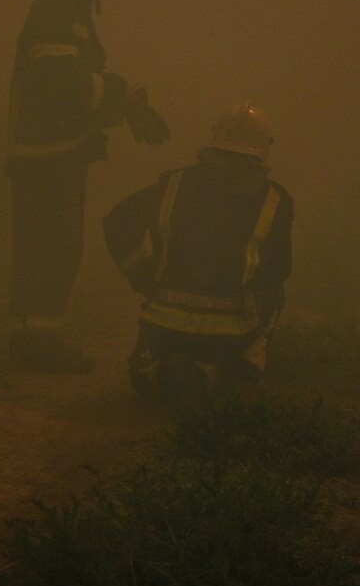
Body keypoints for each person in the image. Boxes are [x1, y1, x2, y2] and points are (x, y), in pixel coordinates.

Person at [6, 0, 170, 373]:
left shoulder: (64, 7)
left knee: (37, 248)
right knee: (55, 250)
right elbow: (60, 83)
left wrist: (126, 105)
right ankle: (42, 348)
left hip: (49, 152)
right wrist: (121, 94)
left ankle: (27, 340)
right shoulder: (59, 10)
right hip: (49, 156)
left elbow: (72, 87)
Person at [103, 103, 293, 403]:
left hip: (165, 330)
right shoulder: (276, 199)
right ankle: (243, 369)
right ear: (264, 147)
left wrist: (142, 274)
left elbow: (117, 223)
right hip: (232, 336)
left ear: (214, 139)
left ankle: (164, 372)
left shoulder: (173, 184)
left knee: (147, 372)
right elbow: (278, 269)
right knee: (276, 292)